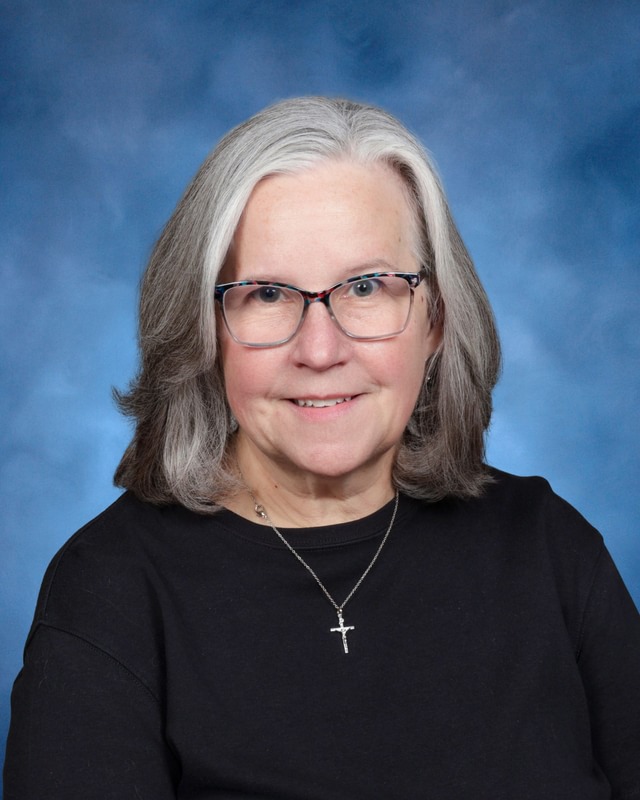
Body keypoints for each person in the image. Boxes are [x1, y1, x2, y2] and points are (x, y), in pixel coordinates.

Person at [4, 97, 640, 799]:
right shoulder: (111, 595)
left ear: (435, 320)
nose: (320, 349)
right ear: (203, 333)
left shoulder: (550, 548)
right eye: (268, 294)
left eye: (367, 287)